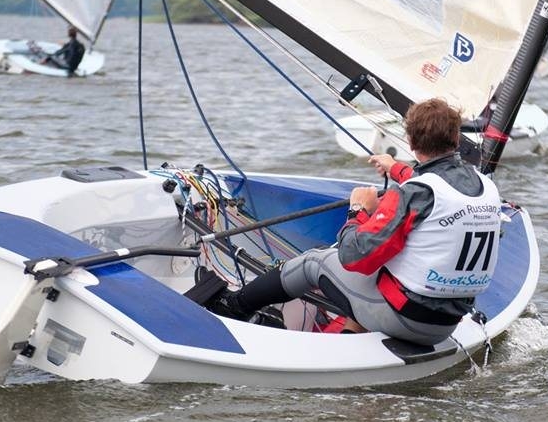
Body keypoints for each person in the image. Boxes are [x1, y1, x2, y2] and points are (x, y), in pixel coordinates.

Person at [204, 98, 503, 346]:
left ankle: (233, 306)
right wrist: (396, 169)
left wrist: (358, 210)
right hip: (447, 323)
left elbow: (353, 256)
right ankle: (348, 343)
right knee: (380, 275)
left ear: (410, 141)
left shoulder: (412, 195)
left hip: (408, 320)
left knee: (315, 262)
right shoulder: (486, 187)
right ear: (455, 139)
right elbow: (438, 190)